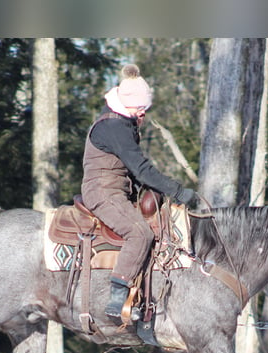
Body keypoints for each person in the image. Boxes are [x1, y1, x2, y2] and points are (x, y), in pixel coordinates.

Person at [80, 64, 195, 322]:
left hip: (118, 191)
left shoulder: (122, 122)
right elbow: (141, 169)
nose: (143, 112)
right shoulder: (114, 127)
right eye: (140, 107)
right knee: (139, 232)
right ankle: (117, 295)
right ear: (127, 102)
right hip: (103, 192)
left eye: (146, 108)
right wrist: (177, 191)